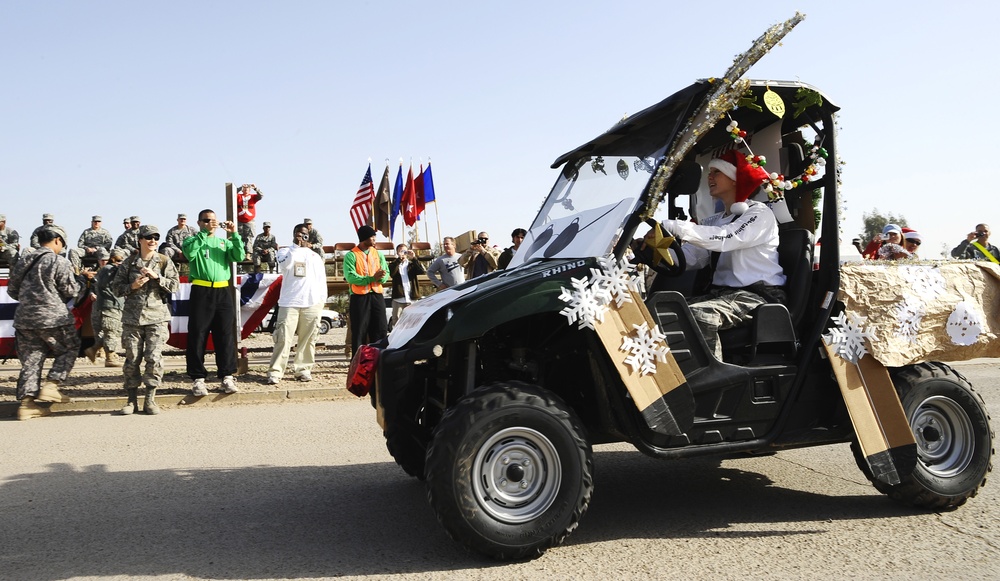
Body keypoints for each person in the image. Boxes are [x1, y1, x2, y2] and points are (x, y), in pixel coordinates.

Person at [656, 150, 785, 361]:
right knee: (662, 309)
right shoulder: (714, 220)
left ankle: (710, 378)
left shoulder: (759, 213)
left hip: (757, 296)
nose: (710, 177)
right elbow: (691, 257)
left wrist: (675, 226)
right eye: (710, 172)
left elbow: (725, 238)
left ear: (735, 179)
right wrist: (654, 251)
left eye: (716, 172)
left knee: (699, 316)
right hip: (722, 295)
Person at [7, 225, 81, 420]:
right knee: (70, 348)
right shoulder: (58, 261)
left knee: (31, 360)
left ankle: (27, 405)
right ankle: (52, 385)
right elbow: (70, 291)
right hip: (53, 317)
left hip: (24, 318)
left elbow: (12, 290)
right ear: (57, 240)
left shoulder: (23, 260)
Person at [113, 225, 180, 415]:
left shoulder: (164, 261)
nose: (153, 241)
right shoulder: (129, 263)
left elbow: (175, 286)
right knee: (132, 359)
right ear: (140, 240)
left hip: (156, 318)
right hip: (132, 319)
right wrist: (132, 285)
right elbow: (116, 288)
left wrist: (158, 278)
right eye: (148, 237)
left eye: (156, 237)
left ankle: (150, 399)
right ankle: (131, 400)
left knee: (154, 358)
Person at [182, 209, 245, 396]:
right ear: (200, 222)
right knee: (198, 334)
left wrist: (234, 235)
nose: (212, 223)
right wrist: (203, 234)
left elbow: (238, 256)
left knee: (225, 335)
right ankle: (198, 378)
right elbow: (190, 254)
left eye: (214, 220)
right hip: (202, 290)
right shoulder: (192, 240)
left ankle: (227, 376)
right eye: (207, 220)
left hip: (223, 290)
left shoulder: (223, 242)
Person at [266, 223, 327, 385]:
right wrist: (296, 246)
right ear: (293, 234)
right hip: (290, 302)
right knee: (283, 338)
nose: (302, 236)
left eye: (305, 234)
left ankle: (303, 369)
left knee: (309, 339)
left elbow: (322, 280)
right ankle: (276, 371)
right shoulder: (285, 251)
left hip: (312, 302)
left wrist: (322, 300)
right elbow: (285, 265)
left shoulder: (315, 256)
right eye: (299, 233)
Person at [345, 225, 389, 356]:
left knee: (381, 328)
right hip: (359, 297)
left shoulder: (379, 254)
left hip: (377, 295)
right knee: (359, 331)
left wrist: (382, 278)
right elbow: (350, 276)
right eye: (372, 236)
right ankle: (358, 362)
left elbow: (386, 272)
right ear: (364, 239)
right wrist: (371, 278)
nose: (375, 239)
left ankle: (380, 359)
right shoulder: (351, 255)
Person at [85, 248, 126, 367]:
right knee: (111, 331)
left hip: (109, 304)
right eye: (119, 259)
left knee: (112, 331)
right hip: (111, 304)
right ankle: (110, 358)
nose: (121, 262)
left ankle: (93, 350)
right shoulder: (110, 269)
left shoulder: (106, 270)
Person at [389, 243, 425, 329]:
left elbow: (421, 271)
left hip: (412, 298)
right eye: (401, 251)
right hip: (399, 299)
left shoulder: (412, 264)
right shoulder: (393, 264)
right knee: (396, 321)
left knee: (414, 321)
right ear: (397, 253)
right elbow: (392, 273)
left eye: (405, 251)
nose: (403, 253)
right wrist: (398, 261)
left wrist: (414, 258)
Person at [236, 183, 264, 255]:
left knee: (249, 237)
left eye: (247, 188)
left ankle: (248, 253)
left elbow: (261, 195)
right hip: (239, 221)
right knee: (239, 237)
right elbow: (232, 193)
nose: (246, 190)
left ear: (249, 190)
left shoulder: (253, 197)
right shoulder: (238, 196)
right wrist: (240, 188)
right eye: (244, 188)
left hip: (249, 221)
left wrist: (255, 188)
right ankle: (240, 253)